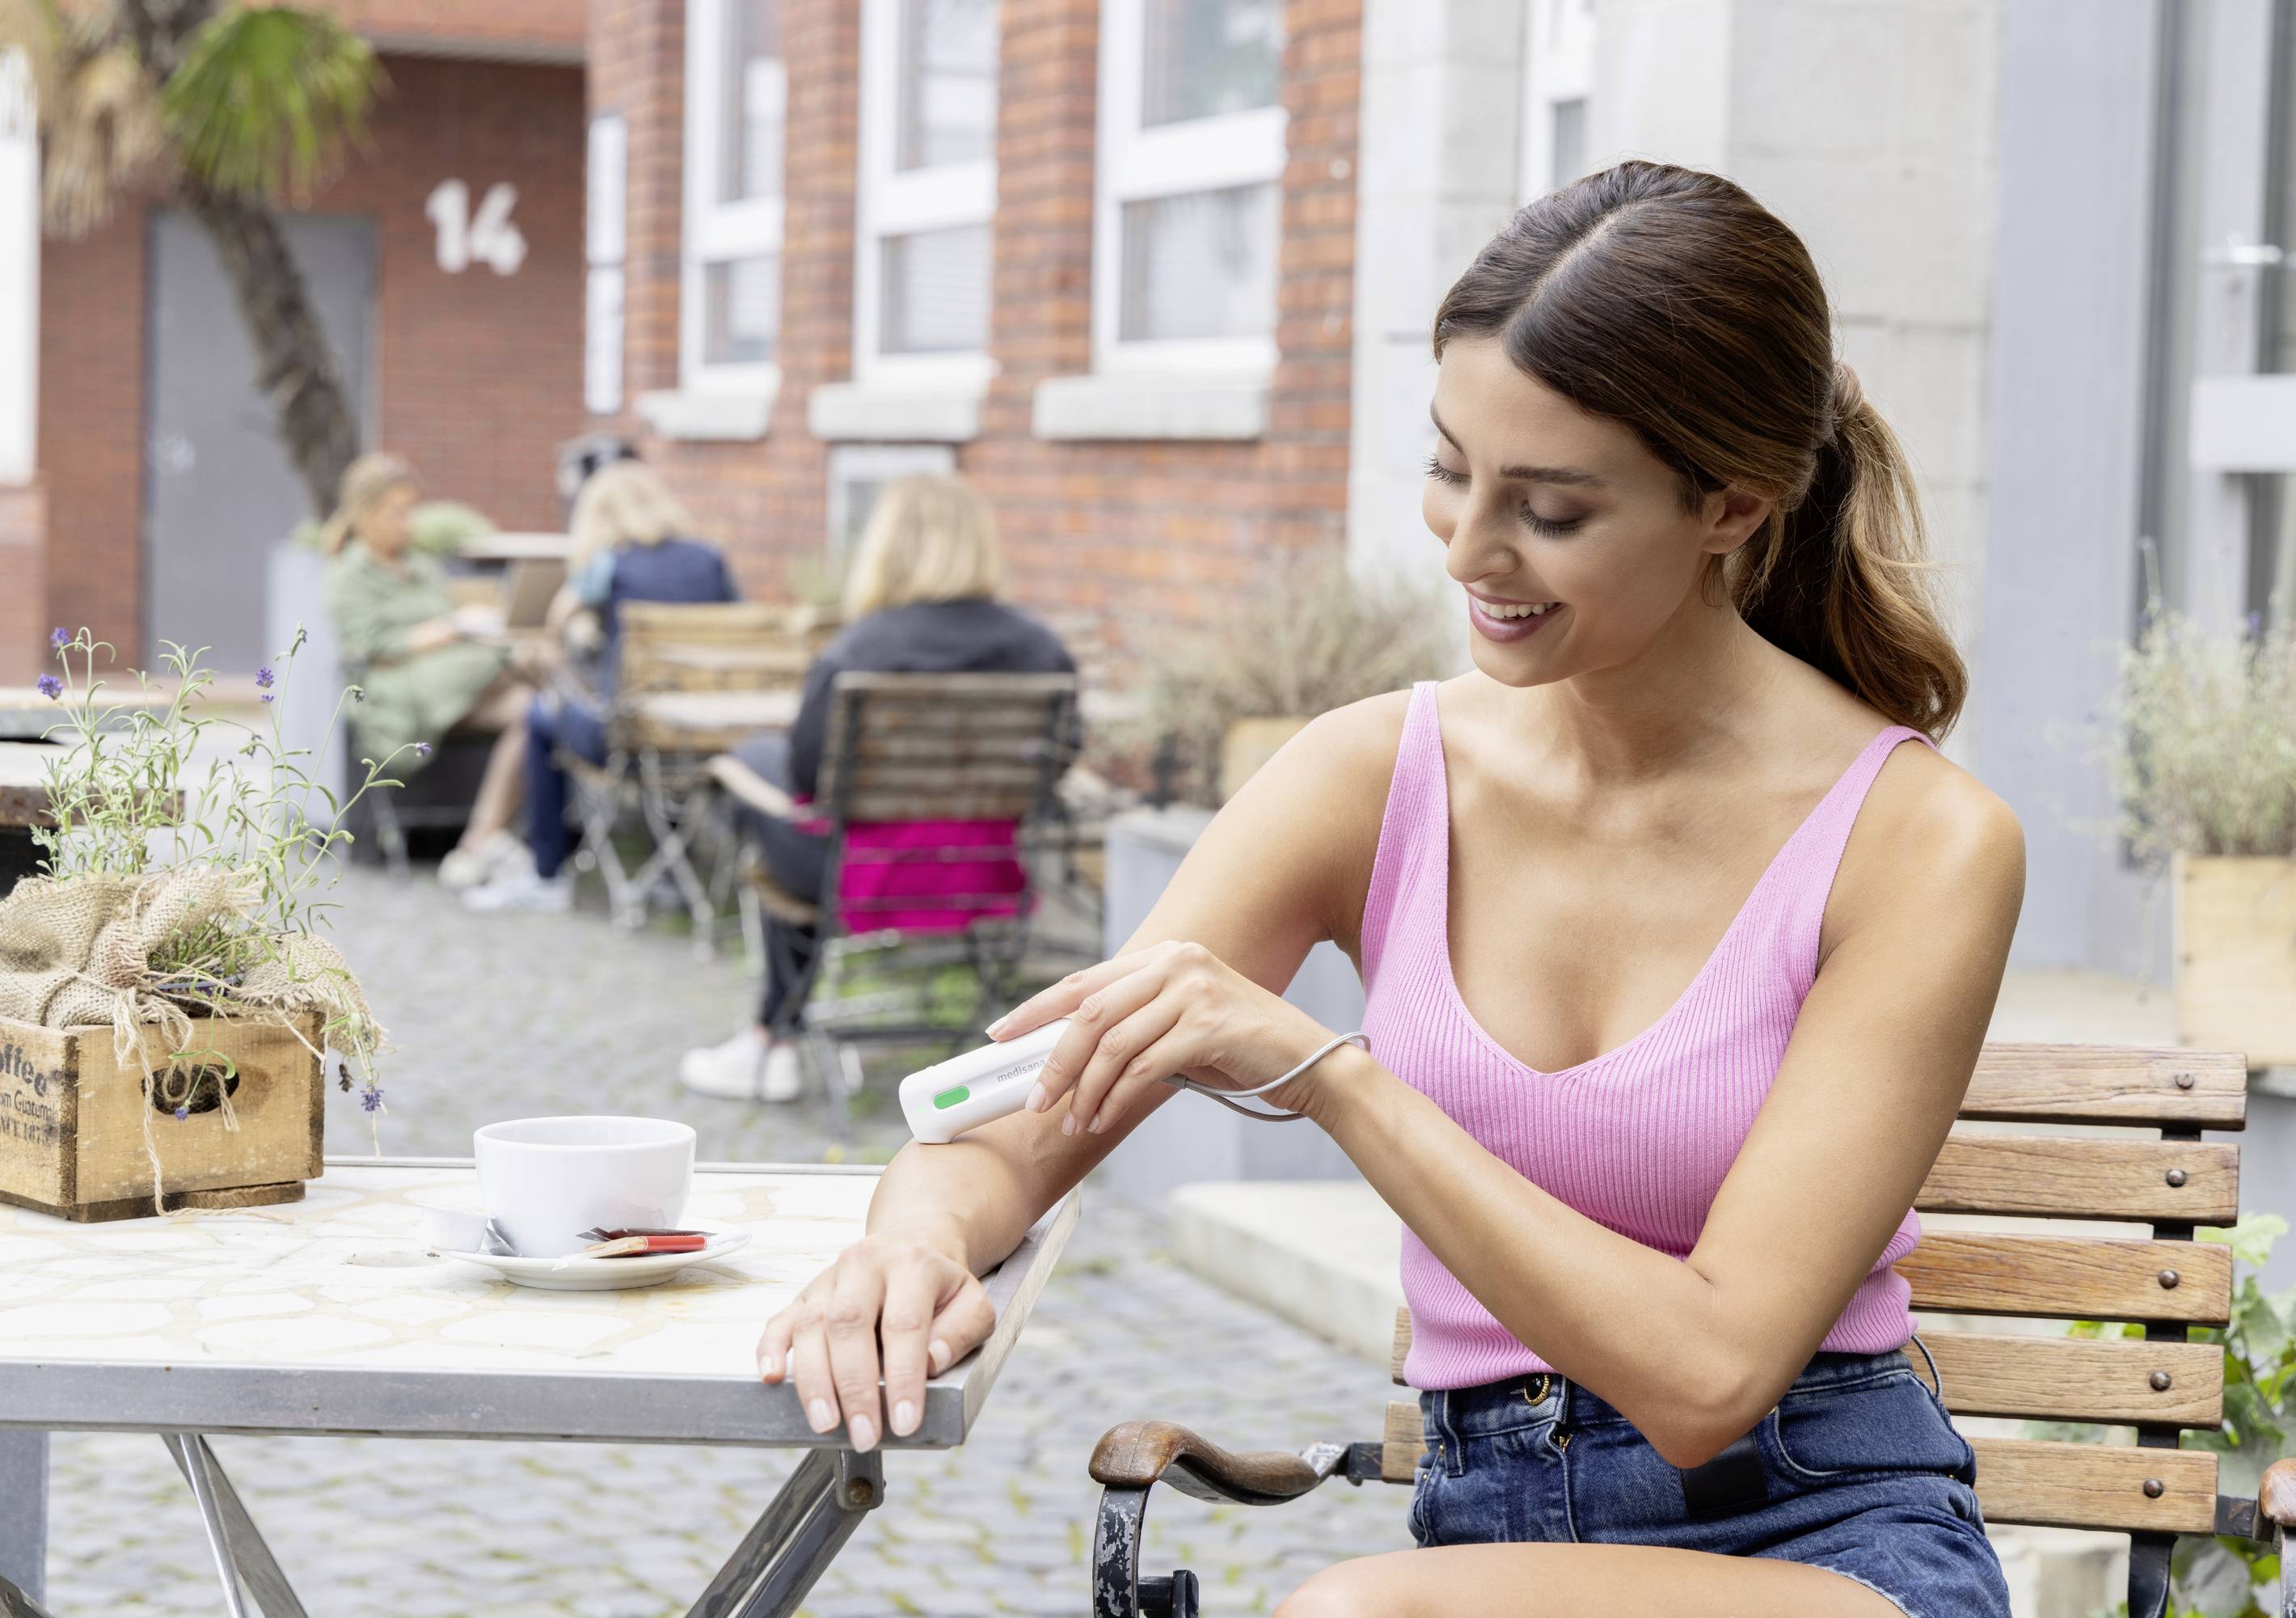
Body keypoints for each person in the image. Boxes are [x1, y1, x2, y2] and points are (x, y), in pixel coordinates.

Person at [752, 163, 2025, 1618]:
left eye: (1550, 509)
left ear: (1730, 503)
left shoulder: (1918, 842)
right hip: (1489, 1540)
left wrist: (1331, 1078)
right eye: (1450, 468)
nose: (1469, 550)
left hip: (1830, 1542)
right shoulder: (1373, 775)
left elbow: (1706, 1377)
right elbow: (1020, 1119)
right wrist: (910, 1245)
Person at [679, 473, 1077, 1102]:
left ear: (887, 545)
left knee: (754, 763)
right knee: (771, 774)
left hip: (862, 874)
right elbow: (1059, 762)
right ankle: (777, 1036)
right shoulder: (1041, 647)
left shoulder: (860, 647)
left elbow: (809, 781)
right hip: (983, 871)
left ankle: (772, 1038)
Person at [462, 462, 737, 913]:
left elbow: (557, 626)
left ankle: (546, 874)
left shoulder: (608, 563)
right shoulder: (710, 559)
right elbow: (738, 626)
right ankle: (671, 874)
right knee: (653, 728)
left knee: (540, 714)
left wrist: (563, 643)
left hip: (627, 740)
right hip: (703, 735)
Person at [322, 453, 536, 886]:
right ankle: (536, 667)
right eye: (396, 512)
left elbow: (449, 624)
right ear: (364, 514)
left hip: (457, 686)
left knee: (533, 711)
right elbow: (373, 647)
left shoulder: (421, 567)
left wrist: (465, 628)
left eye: (411, 510)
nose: (408, 523)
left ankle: (478, 844)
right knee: (528, 660)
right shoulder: (348, 575)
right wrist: (452, 629)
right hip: (398, 691)